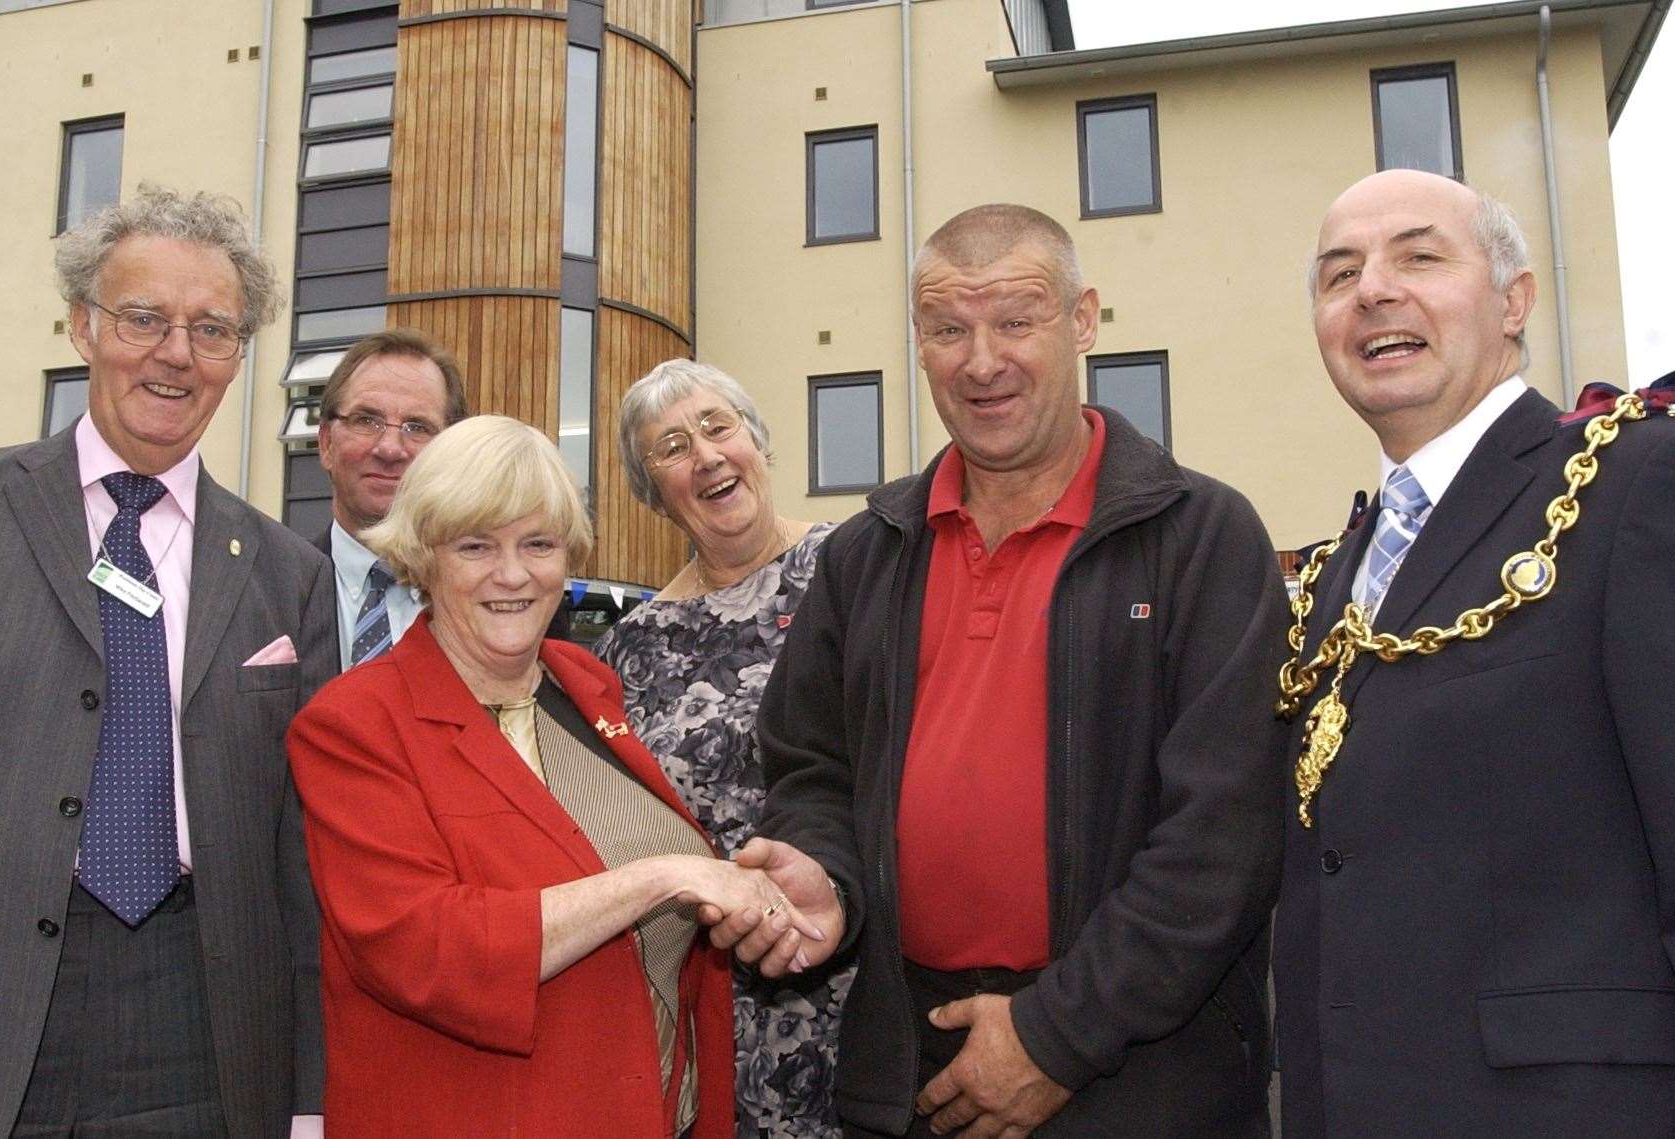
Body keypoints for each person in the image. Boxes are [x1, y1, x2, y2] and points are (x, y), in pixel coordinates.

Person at [712, 203, 1290, 1136]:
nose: (980, 361)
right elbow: (811, 768)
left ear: (1083, 319)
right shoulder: (868, 555)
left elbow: (1226, 833)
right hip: (911, 1066)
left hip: (1141, 1073)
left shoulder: (1200, 538)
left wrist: (1056, 1034)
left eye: (1015, 319)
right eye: (947, 329)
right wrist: (826, 873)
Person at [0, 187, 336, 1137]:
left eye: (211, 329)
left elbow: (299, 861)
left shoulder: (289, 576)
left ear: (238, 355)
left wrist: (307, 1097)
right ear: (81, 325)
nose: (175, 353)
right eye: (143, 318)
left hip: (200, 1028)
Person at [1274, 169, 1675, 1136]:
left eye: (1419, 256)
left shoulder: (1635, 482)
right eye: (1337, 274)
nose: (1372, 290)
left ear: (1514, 301)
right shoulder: (1329, 578)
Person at [288, 414, 788, 1137]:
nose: (513, 574)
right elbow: (426, 950)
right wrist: (659, 879)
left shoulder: (582, 684)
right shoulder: (355, 724)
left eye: (538, 543)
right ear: (423, 557)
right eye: (475, 546)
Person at [597, 358, 852, 1137]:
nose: (705, 455)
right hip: (717, 994)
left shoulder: (856, 569)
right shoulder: (629, 648)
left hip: (863, 961)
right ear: (654, 494)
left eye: (717, 427)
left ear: (757, 442)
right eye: (672, 447)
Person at [312, 328, 468, 667]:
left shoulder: (495, 599)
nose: (390, 449)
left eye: (418, 427)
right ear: (326, 444)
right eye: (366, 420)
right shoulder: (262, 590)